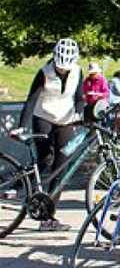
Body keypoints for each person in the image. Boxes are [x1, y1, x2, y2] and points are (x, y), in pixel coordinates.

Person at [17, 38, 84, 231]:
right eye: (60, 66)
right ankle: (27, 186)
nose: (63, 70)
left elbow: (79, 98)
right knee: (45, 159)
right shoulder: (44, 72)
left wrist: (80, 113)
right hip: (44, 116)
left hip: (66, 120)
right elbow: (31, 101)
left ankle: (48, 215)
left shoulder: (78, 71)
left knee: (61, 166)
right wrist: (22, 126)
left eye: (66, 67)